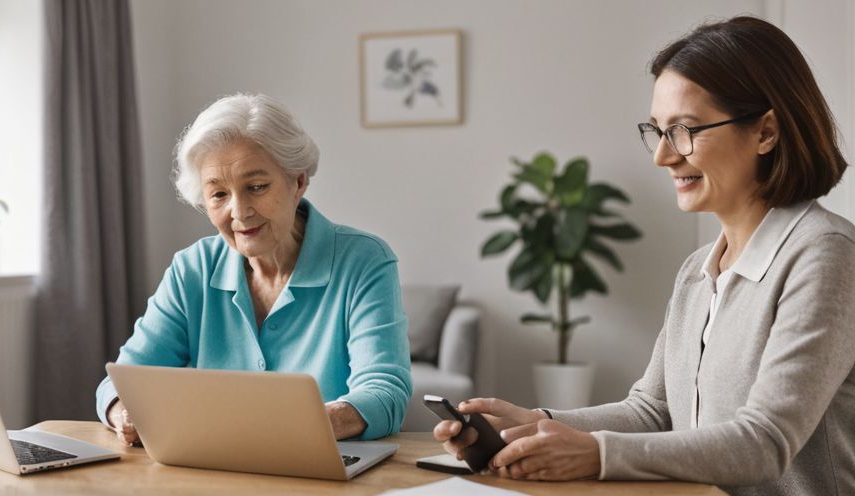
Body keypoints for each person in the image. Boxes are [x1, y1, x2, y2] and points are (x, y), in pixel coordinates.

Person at [435, 16, 854, 496]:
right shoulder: (697, 272)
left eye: (685, 130)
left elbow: (766, 441)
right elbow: (652, 411)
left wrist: (596, 454)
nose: (662, 156)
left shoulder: (825, 254)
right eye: (657, 131)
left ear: (766, 133)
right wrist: (536, 423)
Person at [96, 93, 412, 445]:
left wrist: (292, 426)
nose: (239, 211)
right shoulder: (193, 269)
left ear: (298, 181)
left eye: (256, 187)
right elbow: (120, 382)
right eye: (218, 194)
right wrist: (124, 413)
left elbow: (385, 393)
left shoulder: (364, 260)